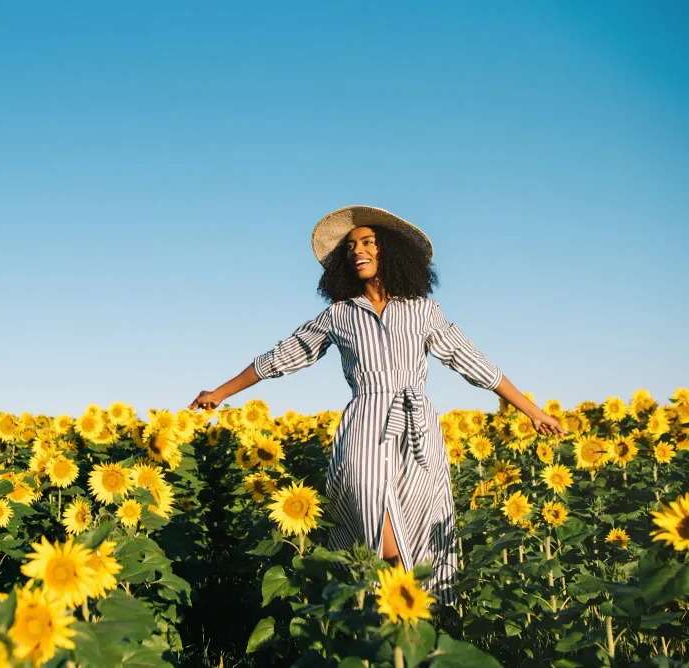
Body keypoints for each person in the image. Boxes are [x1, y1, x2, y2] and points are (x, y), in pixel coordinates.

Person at [188, 205, 567, 604]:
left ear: (390, 251)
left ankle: (403, 628)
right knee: (376, 527)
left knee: (421, 528)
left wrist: (535, 413)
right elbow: (281, 357)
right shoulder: (338, 315)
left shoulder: (423, 310)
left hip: (418, 429)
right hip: (364, 426)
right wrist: (220, 392)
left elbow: (474, 363)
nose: (357, 251)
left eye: (368, 242)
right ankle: (383, 613)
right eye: (351, 246)